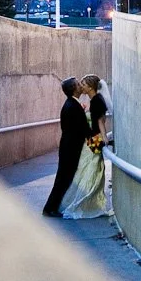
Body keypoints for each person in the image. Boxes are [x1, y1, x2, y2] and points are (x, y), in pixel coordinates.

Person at [58, 74, 111, 219]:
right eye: (80, 84)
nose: (82, 86)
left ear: (90, 87)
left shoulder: (97, 100)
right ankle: (85, 201)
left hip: (94, 139)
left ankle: (88, 201)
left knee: (93, 169)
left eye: (84, 84)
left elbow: (101, 120)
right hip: (92, 139)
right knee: (91, 169)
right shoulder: (94, 100)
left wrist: (104, 138)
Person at [42, 77, 93, 218]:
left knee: (63, 179)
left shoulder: (72, 104)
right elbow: (84, 130)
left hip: (68, 148)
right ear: (74, 89)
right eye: (78, 84)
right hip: (70, 150)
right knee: (62, 180)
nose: (80, 86)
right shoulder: (72, 106)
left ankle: (52, 207)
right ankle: (49, 209)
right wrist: (99, 144)